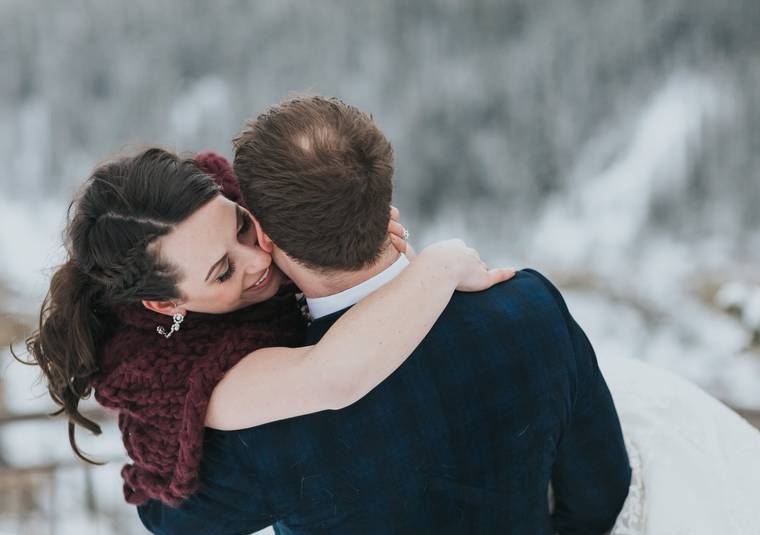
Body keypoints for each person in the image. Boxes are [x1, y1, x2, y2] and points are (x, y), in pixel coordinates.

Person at [137, 95, 760, 535]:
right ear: (382, 193)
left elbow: (169, 517)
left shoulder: (272, 403)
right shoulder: (526, 310)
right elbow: (600, 497)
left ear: (263, 235)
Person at [25, 146, 515, 506]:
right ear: (165, 302)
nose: (258, 257)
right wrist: (442, 264)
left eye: (241, 226)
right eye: (223, 271)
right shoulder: (163, 375)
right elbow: (333, 377)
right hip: (207, 508)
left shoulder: (235, 202)